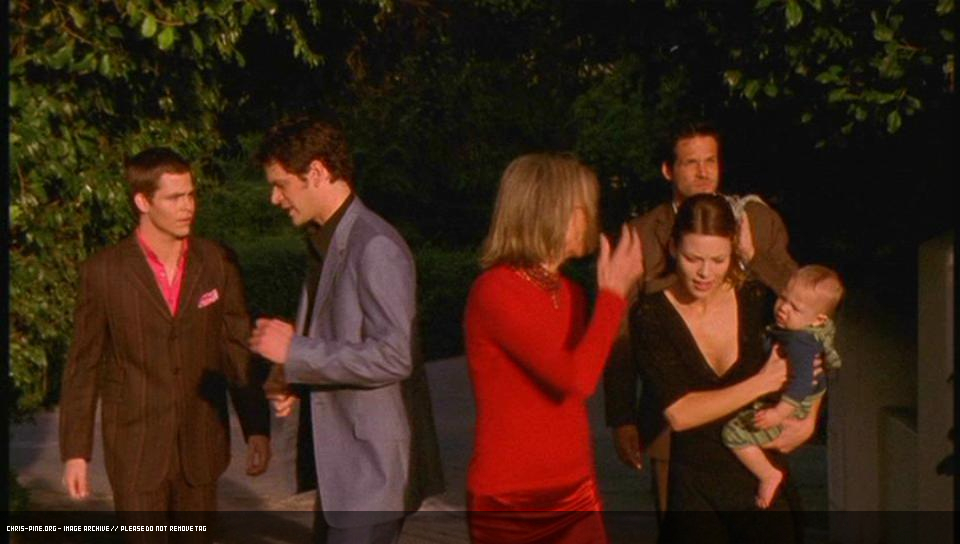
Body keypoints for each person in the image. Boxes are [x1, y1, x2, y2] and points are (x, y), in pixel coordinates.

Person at [249, 116, 444, 544]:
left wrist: (295, 353)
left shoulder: (374, 244)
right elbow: (338, 340)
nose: (275, 198)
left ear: (317, 172)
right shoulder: (327, 239)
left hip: (371, 476)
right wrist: (292, 377)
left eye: (281, 185)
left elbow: (395, 355)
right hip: (344, 476)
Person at [59, 148, 271, 537]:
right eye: (175, 197)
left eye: (191, 195)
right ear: (143, 201)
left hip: (201, 446)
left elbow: (237, 349)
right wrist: (76, 452)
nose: (188, 206)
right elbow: (83, 367)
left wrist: (256, 427)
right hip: (136, 450)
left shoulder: (217, 261)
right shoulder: (103, 272)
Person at [603, 122, 798, 518]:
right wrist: (622, 416)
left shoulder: (757, 221)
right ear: (668, 170)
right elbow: (620, 332)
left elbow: (803, 302)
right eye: (691, 163)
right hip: (674, 423)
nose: (704, 172)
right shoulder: (642, 235)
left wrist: (754, 258)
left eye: (711, 161)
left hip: (754, 425)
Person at [463, 153, 644, 543]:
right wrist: (613, 297)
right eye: (583, 206)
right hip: (511, 501)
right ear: (553, 212)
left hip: (574, 488)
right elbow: (574, 380)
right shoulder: (496, 290)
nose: (591, 216)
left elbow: (579, 385)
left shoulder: (570, 292)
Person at [631, 194, 819, 543]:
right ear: (672, 248)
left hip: (763, 478)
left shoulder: (754, 298)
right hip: (695, 488)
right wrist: (763, 382)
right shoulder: (650, 315)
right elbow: (680, 413)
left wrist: (809, 417)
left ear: (733, 251)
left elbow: (815, 330)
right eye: (693, 259)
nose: (705, 273)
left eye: (718, 259)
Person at [723, 265, 843, 508]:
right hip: (794, 399)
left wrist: (778, 414)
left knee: (733, 435)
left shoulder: (800, 343)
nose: (783, 308)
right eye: (783, 298)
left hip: (792, 407)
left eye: (795, 308)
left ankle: (768, 474)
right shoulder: (809, 329)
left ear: (819, 319)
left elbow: (801, 385)